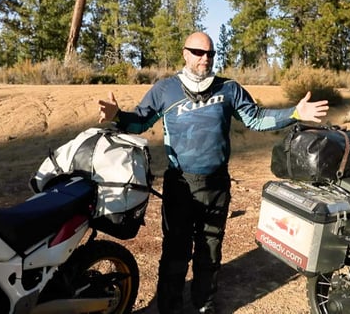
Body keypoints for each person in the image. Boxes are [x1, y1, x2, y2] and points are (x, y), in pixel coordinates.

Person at [97, 31, 328, 314]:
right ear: (185, 53)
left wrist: (294, 113)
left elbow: (256, 118)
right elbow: (140, 122)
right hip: (180, 184)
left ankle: (204, 303)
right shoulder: (165, 89)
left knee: (210, 249)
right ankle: (169, 306)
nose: (205, 58)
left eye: (210, 53)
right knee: (175, 251)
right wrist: (118, 116)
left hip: (217, 183)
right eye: (198, 52)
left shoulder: (229, 88)